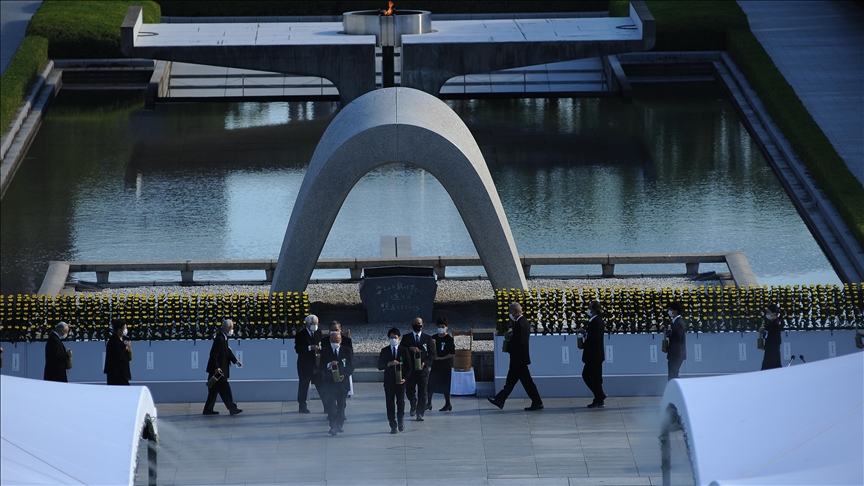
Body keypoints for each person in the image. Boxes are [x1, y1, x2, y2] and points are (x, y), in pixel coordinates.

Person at [488, 302, 543, 411]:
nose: (510, 314)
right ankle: (500, 400)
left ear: (517, 312)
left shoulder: (520, 324)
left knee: (526, 383)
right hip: (519, 359)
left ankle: (537, 402)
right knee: (512, 382)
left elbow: (519, 341)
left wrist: (508, 347)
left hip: (519, 359)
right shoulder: (524, 322)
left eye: (511, 312)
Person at [203, 319, 243, 416]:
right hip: (219, 371)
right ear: (226, 328)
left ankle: (208, 409)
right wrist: (217, 367)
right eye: (231, 328)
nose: (232, 330)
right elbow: (213, 354)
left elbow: (227, 351)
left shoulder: (223, 338)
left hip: (218, 370)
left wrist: (235, 360)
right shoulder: (220, 339)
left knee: (213, 390)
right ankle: (232, 408)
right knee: (225, 390)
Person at [377, 327, 414, 433]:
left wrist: (405, 378)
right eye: (391, 338)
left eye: (395, 337)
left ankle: (400, 420)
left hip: (400, 381)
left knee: (400, 402)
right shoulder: (385, 351)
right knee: (390, 403)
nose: (393, 339)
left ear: (399, 338)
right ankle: (392, 424)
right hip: (389, 381)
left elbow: (409, 366)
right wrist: (389, 364)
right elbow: (380, 366)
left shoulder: (404, 350)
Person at [319, 330, 354, 436]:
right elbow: (321, 366)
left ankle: (340, 424)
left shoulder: (347, 351)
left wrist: (345, 375)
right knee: (331, 406)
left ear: (341, 340)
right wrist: (329, 364)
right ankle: (332, 425)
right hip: (330, 383)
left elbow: (351, 366)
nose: (335, 343)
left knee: (341, 405)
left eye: (337, 341)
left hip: (342, 384)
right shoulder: (325, 351)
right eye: (333, 341)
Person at [400, 316, 434, 421]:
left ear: (423, 325)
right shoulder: (406, 338)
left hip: (422, 370)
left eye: (419, 324)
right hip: (410, 370)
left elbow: (432, 354)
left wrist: (425, 363)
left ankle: (420, 413)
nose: (417, 325)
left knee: (423, 392)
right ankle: (413, 402)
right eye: (415, 323)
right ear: (412, 325)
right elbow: (400, 351)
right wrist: (409, 348)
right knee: (409, 390)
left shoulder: (427, 338)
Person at [295, 314, 323, 413]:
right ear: (307, 324)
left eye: (316, 323)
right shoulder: (300, 334)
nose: (315, 326)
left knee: (321, 385)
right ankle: (302, 405)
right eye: (313, 324)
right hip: (304, 365)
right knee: (304, 386)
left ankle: (327, 405)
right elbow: (298, 349)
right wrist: (310, 348)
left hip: (316, 364)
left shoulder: (318, 332)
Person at [581, 301, 607, 408]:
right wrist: (585, 332)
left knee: (589, 376)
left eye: (590, 308)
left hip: (594, 355)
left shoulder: (596, 322)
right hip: (595, 355)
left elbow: (594, 338)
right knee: (594, 377)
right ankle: (598, 397)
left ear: (594, 310)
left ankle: (600, 395)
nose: (588, 310)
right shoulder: (595, 321)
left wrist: (584, 345)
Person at [427, 317, 455, 412]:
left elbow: (452, 353)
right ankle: (429, 403)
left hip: (445, 364)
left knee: (445, 384)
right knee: (431, 382)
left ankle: (448, 403)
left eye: (443, 326)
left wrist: (442, 358)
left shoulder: (449, 339)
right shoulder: (433, 338)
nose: (441, 328)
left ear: (447, 327)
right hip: (435, 363)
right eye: (439, 326)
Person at [104, 319, 132, 385]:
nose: (126, 330)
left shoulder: (121, 340)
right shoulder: (114, 340)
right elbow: (118, 355)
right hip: (116, 373)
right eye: (124, 328)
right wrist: (126, 347)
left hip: (122, 372)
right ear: (119, 330)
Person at [665, 301, 687, 381]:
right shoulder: (675, 322)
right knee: (672, 374)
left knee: (673, 376)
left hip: (676, 355)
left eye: (671, 310)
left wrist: (668, 349)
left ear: (675, 311)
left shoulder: (678, 323)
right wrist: (668, 334)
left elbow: (677, 340)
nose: (669, 311)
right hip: (675, 355)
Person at [760, 304, 784, 370]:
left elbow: (777, 340)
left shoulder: (775, 325)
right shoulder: (771, 324)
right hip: (769, 351)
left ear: (774, 314)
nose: (767, 314)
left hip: (773, 353)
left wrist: (767, 346)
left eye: (768, 312)